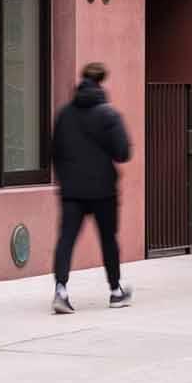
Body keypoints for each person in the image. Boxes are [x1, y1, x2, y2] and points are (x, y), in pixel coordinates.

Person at [50, 61, 133, 313]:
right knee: (108, 240)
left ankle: (61, 291)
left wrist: (65, 179)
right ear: (101, 83)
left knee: (66, 240)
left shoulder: (64, 114)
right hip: (103, 190)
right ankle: (115, 291)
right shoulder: (109, 114)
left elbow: (54, 151)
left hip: (72, 191)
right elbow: (122, 153)